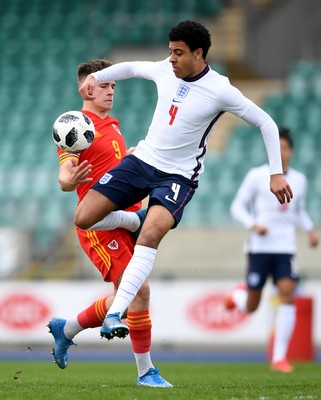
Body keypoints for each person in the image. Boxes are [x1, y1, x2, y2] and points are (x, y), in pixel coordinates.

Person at [75, 20, 293, 341]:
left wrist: (276, 173)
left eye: (178, 53)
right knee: (84, 217)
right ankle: (134, 220)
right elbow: (134, 68)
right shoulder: (165, 69)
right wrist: (97, 77)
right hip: (143, 160)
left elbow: (266, 122)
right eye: (170, 52)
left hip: (178, 176)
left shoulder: (220, 90)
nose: (172, 59)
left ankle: (115, 313)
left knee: (150, 235)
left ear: (198, 54)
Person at [48, 59, 173, 388]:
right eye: (104, 85)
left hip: (125, 217)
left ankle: (68, 328)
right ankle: (146, 372)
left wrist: (129, 160)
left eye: (113, 86)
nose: (111, 91)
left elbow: (112, 168)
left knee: (126, 294)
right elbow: (65, 171)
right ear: (87, 88)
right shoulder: (77, 124)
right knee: (139, 293)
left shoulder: (112, 123)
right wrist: (67, 179)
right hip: (101, 227)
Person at [225, 127, 319, 373]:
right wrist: (252, 225)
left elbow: (298, 211)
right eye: (276, 148)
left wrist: (310, 229)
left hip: (285, 247)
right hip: (259, 247)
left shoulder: (299, 180)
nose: (281, 152)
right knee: (252, 305)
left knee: (288, 294)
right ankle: (237, 296)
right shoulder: (256, 176)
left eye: (284, 148)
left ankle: (279, 358)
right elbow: (237, 206)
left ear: (291, 151)